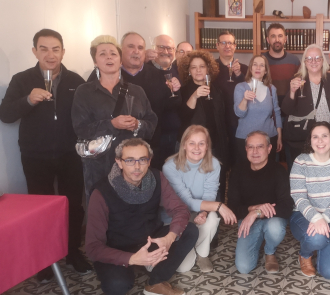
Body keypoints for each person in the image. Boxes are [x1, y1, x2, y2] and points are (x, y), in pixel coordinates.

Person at [0, 28, 90, 282]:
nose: (50, 54)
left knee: (73, 205)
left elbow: (85, 117)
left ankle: (72, 252)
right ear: (34, 51)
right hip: (35, 155)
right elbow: (5, 114)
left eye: (55, 49)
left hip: (70, 154)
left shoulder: (75, 81)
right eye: (44, 49)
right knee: (40, 209)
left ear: (63, 51)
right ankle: (45, 260)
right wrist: (28, 100)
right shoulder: (22, 79)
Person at [85, 138, 198, 295]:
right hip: (117, 248)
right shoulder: (101, 192)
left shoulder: (157, 177)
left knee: (190, 230)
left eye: (142, 160)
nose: (137, 167)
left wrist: (169, 238)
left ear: (149, 160)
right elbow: (93, 247)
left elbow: (180, 209)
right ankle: (131, 272)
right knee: (117, 286)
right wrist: (132, 259)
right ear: (119, 162)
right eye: (130, 160)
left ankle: (156, 281)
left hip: (148, 239)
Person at [72, 35, 158, 202]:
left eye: (113, 53)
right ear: (95, 61)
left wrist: (137, 125)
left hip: (133, 164)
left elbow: (151, 125)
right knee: (101, 209)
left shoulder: (136, 91)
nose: (109, 57)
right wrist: (112, 124)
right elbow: (80, 129)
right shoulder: (84, 92)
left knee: (132, 208)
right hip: (99, 164)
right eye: (102, 54)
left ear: (120, 61)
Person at [89, 32, 181, 170]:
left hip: (151, 146)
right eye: (131, 46)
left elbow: (169, 107)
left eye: (140, 47)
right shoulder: (105, 74)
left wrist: (176, 90)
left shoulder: (157, 75)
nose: (136, 51)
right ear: (121, 51)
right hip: (114, 149)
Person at [162, 125, 237, 273]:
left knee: (213, 218)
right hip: (176, 215)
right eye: (192, 143)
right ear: (184, 145)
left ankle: (202, 253)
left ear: (207, 145)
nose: (197, 148)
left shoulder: (214, 164)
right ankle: (191, 248)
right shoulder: (170, 167)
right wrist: (219, 206)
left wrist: (205, 212)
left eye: (201, 143)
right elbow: (185, 201)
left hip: (198, 211)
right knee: (183, 268)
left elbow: (210, 193)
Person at [290, 122, 330, 279]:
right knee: (317, 238)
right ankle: (305, 254)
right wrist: (316, 218)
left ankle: (320, 243)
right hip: (304, 216)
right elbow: (299, 196)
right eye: (315, 137)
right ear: (310, 141)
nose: (320, 141)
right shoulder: (301, 161)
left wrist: (323, 219)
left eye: (324, 136)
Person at [229, 131, 294, 274]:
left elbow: (287, 207)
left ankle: (270, 251)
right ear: (245, 149)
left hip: (272, 219)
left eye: (260, 146)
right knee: (244, 267)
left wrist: (258, 212)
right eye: (251, 147)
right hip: (249, 219)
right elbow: (232, 208)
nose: (255, 151)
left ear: (269, 148)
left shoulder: (279, 171)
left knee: (275, 228)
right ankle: (259, 238)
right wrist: (253, 209)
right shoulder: (237, 170)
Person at [177, 50, 229, 202]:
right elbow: (183, 117)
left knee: (218, 178)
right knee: (196, 180)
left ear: (208, 69)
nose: (198, 70)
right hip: (195, 145)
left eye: (202, 66)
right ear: (189, 71)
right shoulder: (184, 90)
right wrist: (195, 95)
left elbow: (223, 118)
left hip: (216, 143)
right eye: (194, 67)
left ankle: (216, 211)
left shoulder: (218, 90)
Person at [282, 44, 330, 168]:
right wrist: (292, 91)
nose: (313, 61)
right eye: (309, 58)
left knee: (326, 171)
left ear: (322, 61)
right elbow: (286, 110)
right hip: (304, 138)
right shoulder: (297, 80)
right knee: (304, 173)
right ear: (304, 62)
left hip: (327, 137)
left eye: (317, 58)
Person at [262, 23, 300, 164]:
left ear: (285, 39)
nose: (276, 39)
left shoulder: (294, 61)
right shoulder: (261, 61)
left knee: (293, 160)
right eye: (273, 36)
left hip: (291, 118)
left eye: (280, 36)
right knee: (272, 159)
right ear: (268, 40)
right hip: (269, 119)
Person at [233, 55, 282, 163]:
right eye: (255, 65)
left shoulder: (271, 89)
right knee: (246, 174)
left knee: (267, 173)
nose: (258, 68)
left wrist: (279, 137)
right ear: (250, 69)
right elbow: (239, 113)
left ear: (265, 71)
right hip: (245, 139)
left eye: (261, 65)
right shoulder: (241, 87)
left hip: (269, 138)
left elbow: (277, 113)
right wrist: (245, 99)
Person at [214, 31, 249, 165]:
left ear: (235, 46)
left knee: (238, 158)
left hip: (238, 121)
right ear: (217, 46)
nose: (227, 46)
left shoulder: (245, 69)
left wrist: (239, 75)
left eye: (230, 43)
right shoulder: (211, 68)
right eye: (223, 43)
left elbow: (251, 93)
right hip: (218, 121)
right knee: (220, 160)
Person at [146, 34, 182, 163]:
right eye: (161, 47)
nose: (166, 52)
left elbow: (178, 103)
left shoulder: (178, 70)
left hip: (175, 134)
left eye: (170, 48)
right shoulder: (145, 71)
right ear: (153, 48)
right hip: (154, 136)